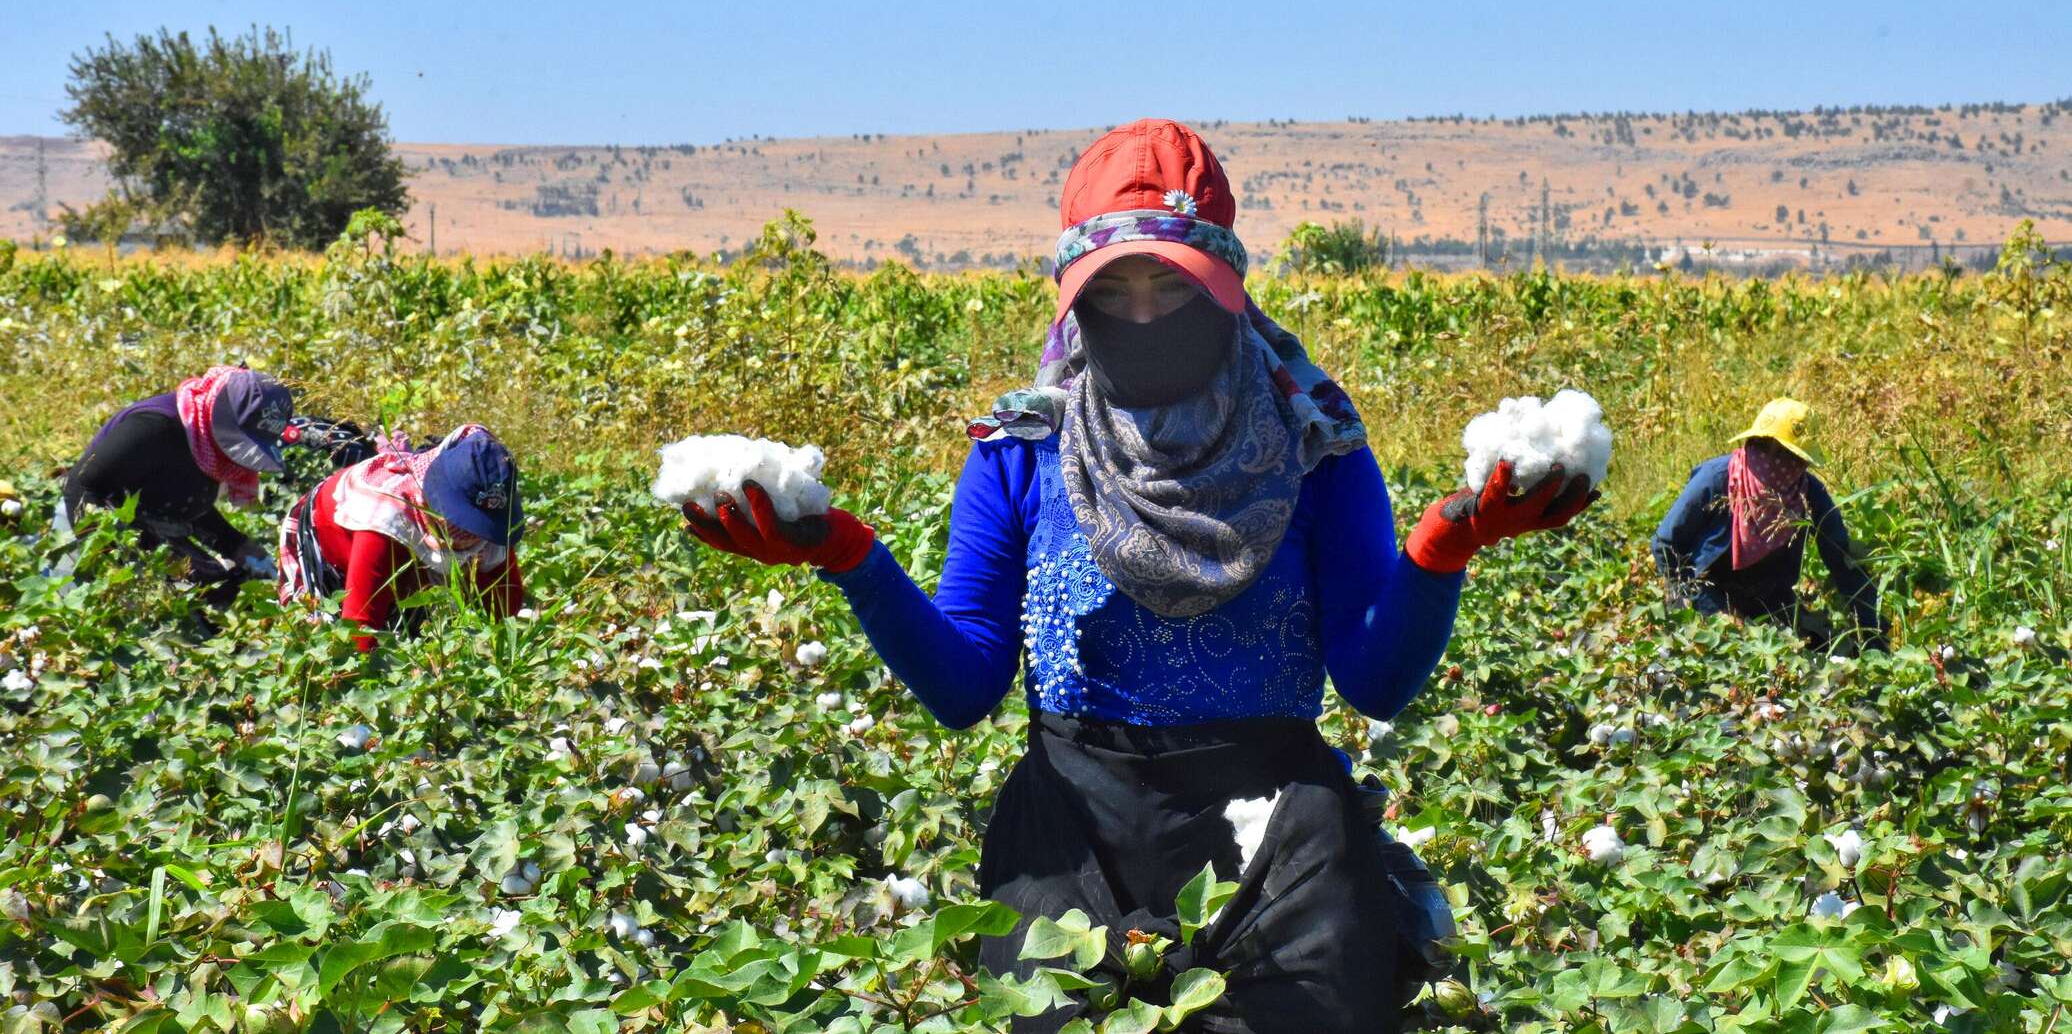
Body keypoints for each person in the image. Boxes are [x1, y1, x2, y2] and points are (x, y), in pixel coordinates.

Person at [680, 119, 1595, 1032]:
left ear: (1227, 285)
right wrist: (850, 558)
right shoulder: (1020, 451)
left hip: (1280, 838)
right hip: (1071, 838)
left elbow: (1374, 678)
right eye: (1115, 291)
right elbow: (965, 686)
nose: (1147, 313)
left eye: (1173, 284)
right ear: (1075, 297)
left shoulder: (1316, 443)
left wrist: (1444, 548)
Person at [1652, 397, 1885, 650]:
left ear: (1802, 462)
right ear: (1753, 443)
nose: (1775, 463)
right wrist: (1709, 608)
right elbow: (1666, 543)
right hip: (1705, 596)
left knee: (1817, 649)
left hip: (1770, 601)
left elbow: (1842, 561)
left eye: (1789, 457)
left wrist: (1873, 634)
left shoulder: (1808, 493)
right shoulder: (1716, 480)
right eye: (1764, 448)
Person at [277, 424, 526, 653]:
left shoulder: (491, 513)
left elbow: (506, 606)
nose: (470, 536)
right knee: (324, 643)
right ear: (435, 499)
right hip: (324, 543)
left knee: (414, 624)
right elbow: (359, 629)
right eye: (462, 523)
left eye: (479, 527)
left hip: (404, 550)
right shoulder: (385, 519)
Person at [61, 365, 295, 597]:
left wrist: (235, 544)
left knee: (219, 591)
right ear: (223, 416)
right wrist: (114, 564)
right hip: (82, 532)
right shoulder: (156, 426)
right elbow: (81, 487)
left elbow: (178, 496)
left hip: (148, 529)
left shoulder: (209, 448)